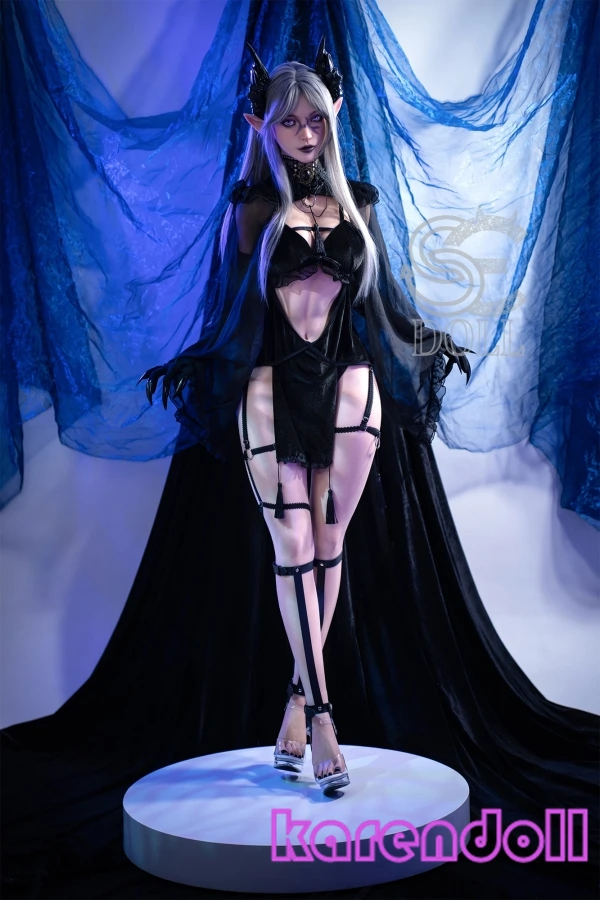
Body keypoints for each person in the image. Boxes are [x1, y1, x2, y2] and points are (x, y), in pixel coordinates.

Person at [140, 39, 472, 795]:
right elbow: (231, 307)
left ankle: (296, 698)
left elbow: (383, 302)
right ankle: (323, 716)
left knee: (327, 544)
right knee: (292, 548)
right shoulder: (253, 209)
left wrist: (428, 341)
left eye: (315, 119)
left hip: (350, 387)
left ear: (333, 118)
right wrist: (196, 359)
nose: (304, 133)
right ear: (263, 125)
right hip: (270, 387)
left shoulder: (361, 204)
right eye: (288, 121)